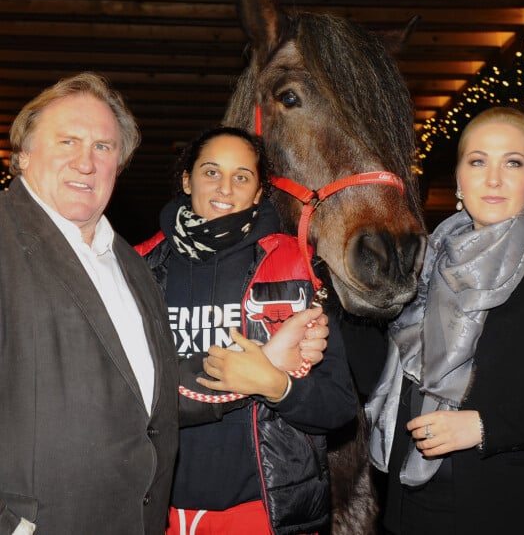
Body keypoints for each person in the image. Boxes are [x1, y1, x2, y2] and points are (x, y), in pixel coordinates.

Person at [0, 73, 329, 535]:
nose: (85, 162)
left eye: (103, 147)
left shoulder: (127, 264)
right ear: (24, 154)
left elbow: (149, 393)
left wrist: (271, 364)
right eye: (68, 140)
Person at [367, 106, 524, 534]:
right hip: (411, 508)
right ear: (459, 178)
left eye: (512, 163)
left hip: (513, 510)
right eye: (478, 161)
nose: (493, 178)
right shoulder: (421, 266)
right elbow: (379, 370)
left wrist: (483, 427)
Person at [137, 126, 358, 535]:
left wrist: (279, 387)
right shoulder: (139, 269)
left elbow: (339, 406)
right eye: (210, 172)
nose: (225, 187)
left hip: (265, 508)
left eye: (242, 176)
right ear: (187, 179)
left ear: (259, 192)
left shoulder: (298, 267)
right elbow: (125, 398)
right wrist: (246, 375)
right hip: (158, 508)